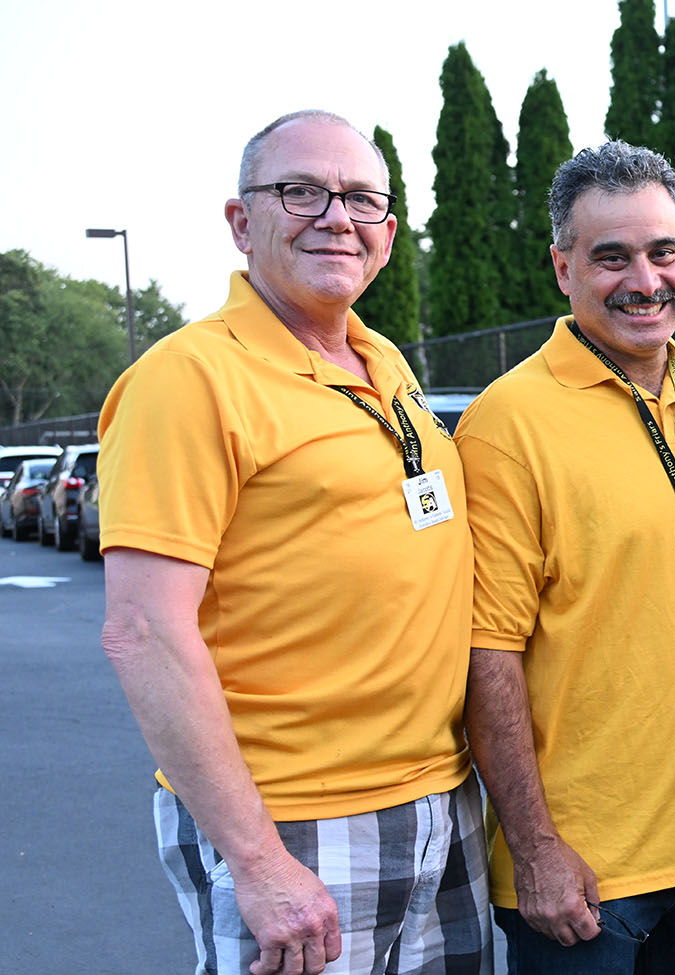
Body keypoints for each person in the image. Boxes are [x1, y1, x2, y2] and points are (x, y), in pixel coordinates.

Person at [97, 110, 489, 975]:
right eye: (301, 191)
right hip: (299, 821)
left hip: (439, 802)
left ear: (386, 235)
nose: (335, 216)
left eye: (359, 198)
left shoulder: (383, 363)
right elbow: (145, 630)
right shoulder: (188, 378)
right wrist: (259, 859)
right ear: (242, 221)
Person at [455, 141, 675, 973]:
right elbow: (488, 653)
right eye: (611, 256)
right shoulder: (509, 422)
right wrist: (537, 848)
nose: (646, 278)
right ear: (563, 268)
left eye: (664, 251)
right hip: (585, 878)